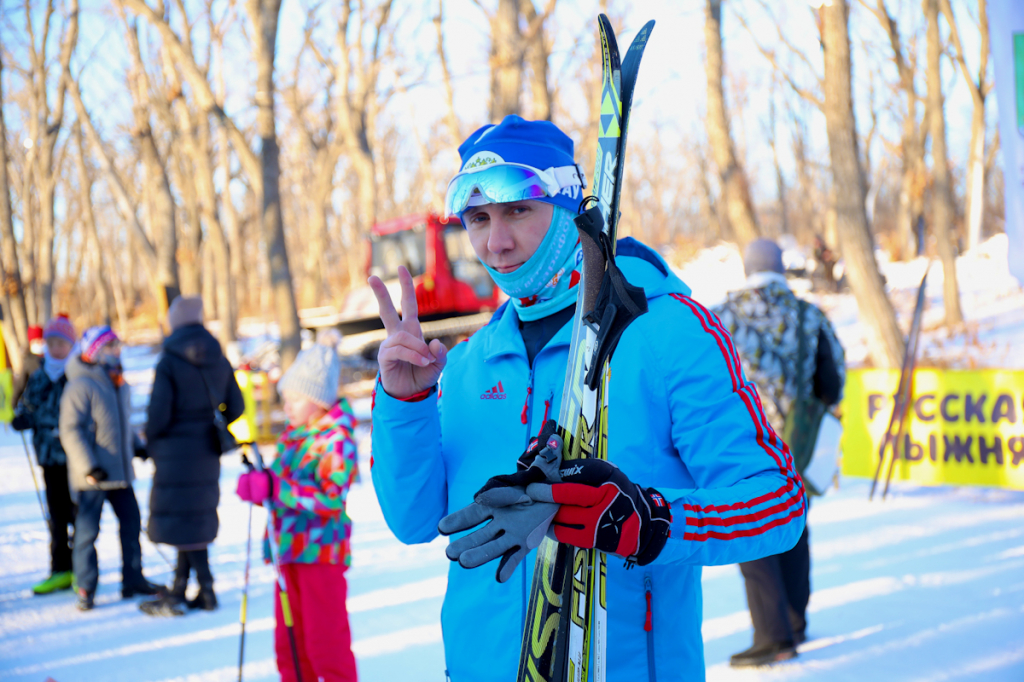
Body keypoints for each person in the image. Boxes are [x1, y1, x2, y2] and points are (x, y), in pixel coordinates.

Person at [368, 115, 806, 681]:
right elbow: (414, 520)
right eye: (477, 219)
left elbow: (778, 505)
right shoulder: (471, 363)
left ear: (572, 207)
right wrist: (404, 406)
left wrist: (651, 520)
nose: (495, 242)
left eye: (517, 210)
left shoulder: (667, 331)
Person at [713, 238, 846, 667]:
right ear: (782, 269)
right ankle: (795, 620)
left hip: (744, 443)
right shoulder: (809, 315)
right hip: (798, 445)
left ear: (747, 268)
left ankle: (773, 637)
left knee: (751, 530)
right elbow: (833, 381)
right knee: (793, 523)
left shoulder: (720, 317)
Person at [236, 339, 359, 682]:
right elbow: (282, 488)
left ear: (318, 400)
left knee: (325, 644)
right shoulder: (293, 437)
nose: (285, 406)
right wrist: (261, 485)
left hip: (321, 555)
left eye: (294, 399)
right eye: (285, 399)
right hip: (287, 553)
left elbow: (330, 498)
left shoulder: (336, 439)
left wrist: (278, 489)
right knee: (290, 643)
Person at [138, 297, 244, 617]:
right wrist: (214, 419)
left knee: (185, 521)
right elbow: (236, 406)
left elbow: (158, 413)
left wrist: (149, 441)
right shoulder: (218, 355)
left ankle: (200, 589)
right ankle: (187, 589)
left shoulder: (169, 360)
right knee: (194, 520)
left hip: (173, 451)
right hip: (206, 449)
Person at [59, 326, 163, 611]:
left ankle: (133, 579)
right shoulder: (80, 385)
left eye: (117, 345)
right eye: (110, 346)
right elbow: (70, 430)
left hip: (120, 473)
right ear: (94, 351)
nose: (117, 350)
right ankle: (86, 586)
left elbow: (122, 423)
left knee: (131, 525)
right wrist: (89, 466)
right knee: (87, 532)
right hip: (92, 477)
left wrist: (137, 446)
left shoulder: (117, 380)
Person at [11, 315, 78, 595]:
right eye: (51, 343)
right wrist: (21, 418)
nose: (55, 348)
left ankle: (82, 569)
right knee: (57, 515)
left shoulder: (77, 373)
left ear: (71, 344)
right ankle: (60, 569)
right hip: (49, 458)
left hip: (76, 458)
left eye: (61, 343)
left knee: (79, 516)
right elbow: (25, 405)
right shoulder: (39, 375)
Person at [12, 325, 45, 406]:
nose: (40, 343)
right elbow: (20, 384)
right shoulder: (28, 361)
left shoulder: (50, 358)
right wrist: (14, 402)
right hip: (35, 400)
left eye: (41, 340)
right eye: (37, 341)